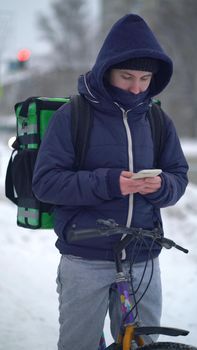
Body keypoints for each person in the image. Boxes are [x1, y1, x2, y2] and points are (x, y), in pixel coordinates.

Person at [32, 14, 189, 350]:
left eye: (145, 78)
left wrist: (161, 187)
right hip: (84, 256)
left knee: (142, 344)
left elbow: (178, 177)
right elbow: (45, 183)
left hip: (143, 255)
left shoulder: (157, 119)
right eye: (127, 76)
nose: (136, 87)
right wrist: (109, 183)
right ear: (107, 71)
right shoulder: (73, 116)